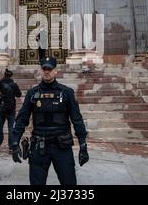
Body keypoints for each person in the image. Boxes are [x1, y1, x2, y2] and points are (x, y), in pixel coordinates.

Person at [11, 57, 89, 185]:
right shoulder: (32, 93)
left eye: (49, 69)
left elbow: (77, 120)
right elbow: (22, 119)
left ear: (55, 71)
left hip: (62, 147)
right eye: (44, 69)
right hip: (39, 147)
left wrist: (83, 144)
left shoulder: (66, 93)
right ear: (40, 70)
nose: (47, 71)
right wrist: (14, 142)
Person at [0, 68, 22, 153]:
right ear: (11, 75)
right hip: (11, 109)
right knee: (11, 128)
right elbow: (19, 94)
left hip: (1, 108)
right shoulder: (13, 84)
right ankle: (11, 147)